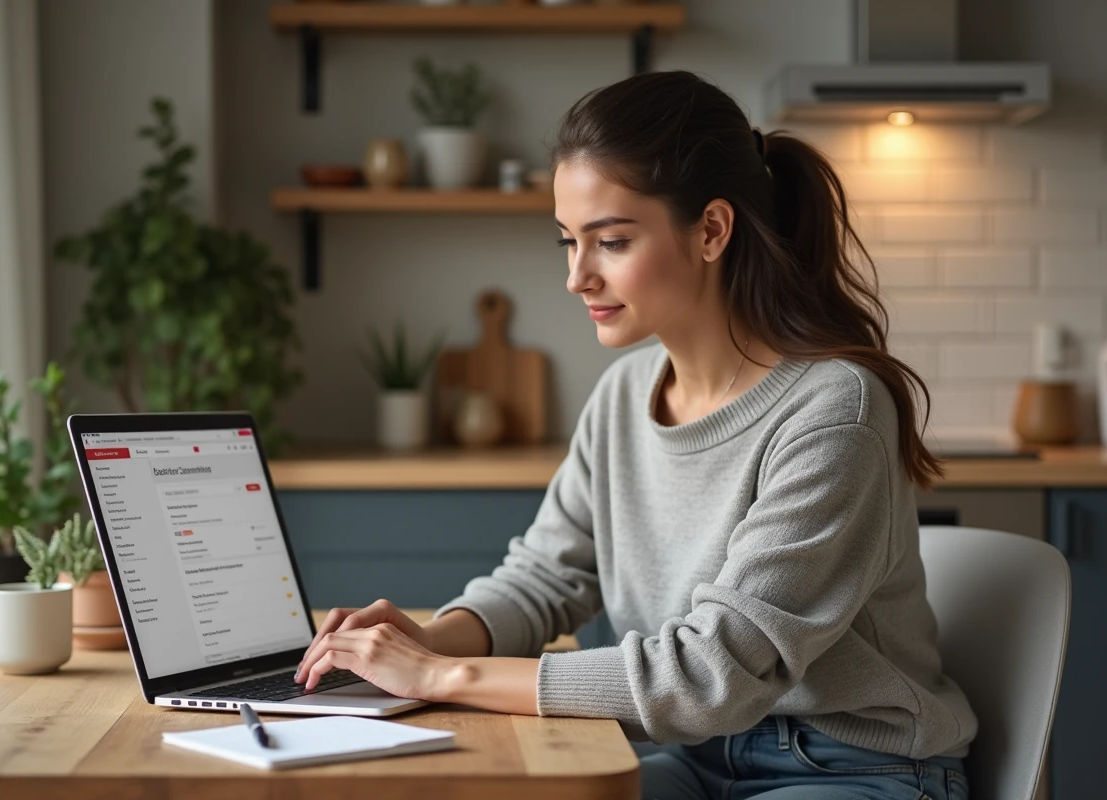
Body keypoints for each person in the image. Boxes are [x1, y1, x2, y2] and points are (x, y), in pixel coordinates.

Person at [292, 70, 977, 800]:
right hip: (696, 754)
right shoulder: (623, 394)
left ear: (712, 229)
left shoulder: (835, 411)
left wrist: (439, 675)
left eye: (610, 241)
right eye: (568, 242)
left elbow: (708, 678)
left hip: (849, 766)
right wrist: (429, 638)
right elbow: (548, 577)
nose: (576, 277)